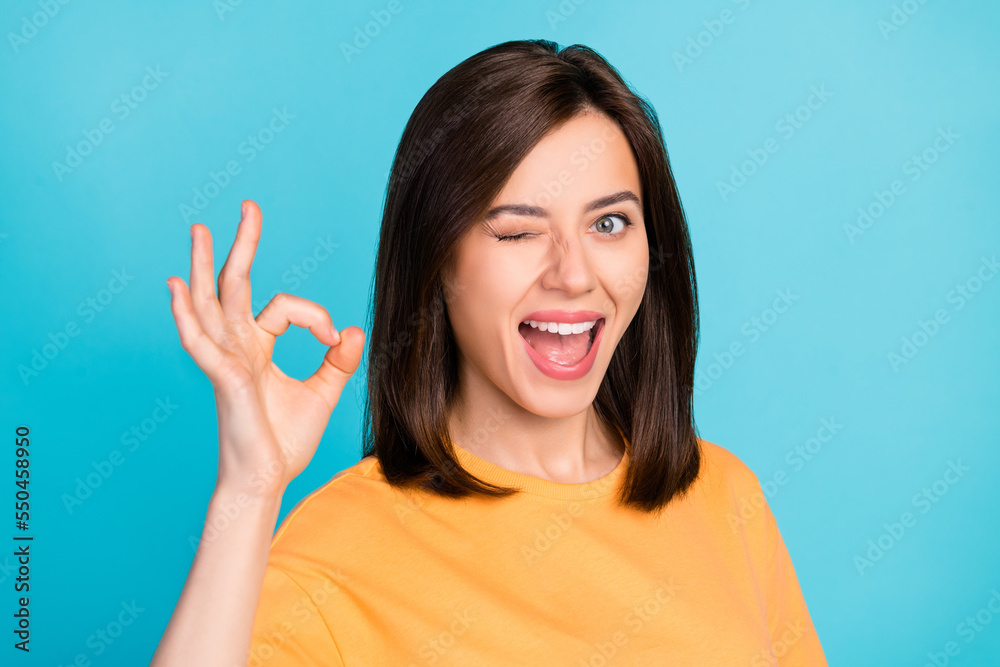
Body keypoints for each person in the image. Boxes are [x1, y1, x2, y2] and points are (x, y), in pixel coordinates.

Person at [152, 39, 828, 666]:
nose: (573, 273)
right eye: (517, 231)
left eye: (610, 222)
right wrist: (249, 487)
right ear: (439, 260)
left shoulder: (726, 496)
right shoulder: (339, 546)